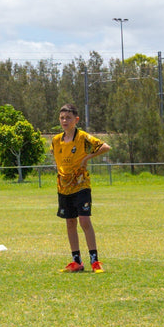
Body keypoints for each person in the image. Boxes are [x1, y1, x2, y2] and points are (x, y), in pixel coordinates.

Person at [51, 103, 110, 273]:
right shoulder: (56, 141)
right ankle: (76, 261)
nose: (65, 120)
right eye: (62, 118)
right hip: (64, 187)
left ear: (76, 120)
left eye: (68, 118)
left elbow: (105, 147)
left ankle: (95, 260)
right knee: (70, 222)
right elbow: (59, 161)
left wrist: (87, 158)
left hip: (81, 185)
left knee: (84, 220)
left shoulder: (83, 137)